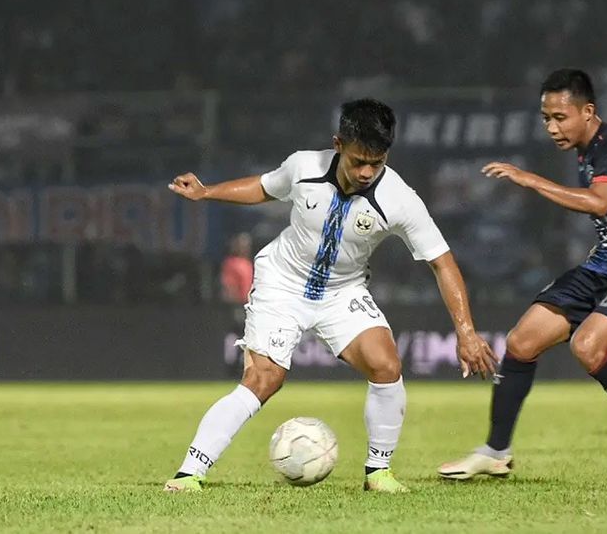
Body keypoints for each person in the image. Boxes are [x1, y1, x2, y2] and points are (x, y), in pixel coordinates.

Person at [164, 98, 497, 493]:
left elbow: (443, 263)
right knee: (264, 378)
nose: (367, 172)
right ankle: (189, 472)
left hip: (343, 291)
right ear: (338, 144)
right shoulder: (303, 167)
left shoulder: (400, 200)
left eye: (378, 162)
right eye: (359, 161)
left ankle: (378, 473)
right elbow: (265, 187)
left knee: (385, 364)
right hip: (282, 282)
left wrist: (466, 331)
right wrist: (206, 193)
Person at [439, 69, 607, 481]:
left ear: (588, 112)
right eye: (546, 118)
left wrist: (528, 179)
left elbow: (599, 203)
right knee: (521, 341)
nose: (552, 127)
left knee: (587, 347)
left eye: (560, 117)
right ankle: (497, 451)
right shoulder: (588, 149)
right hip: (606, 262)